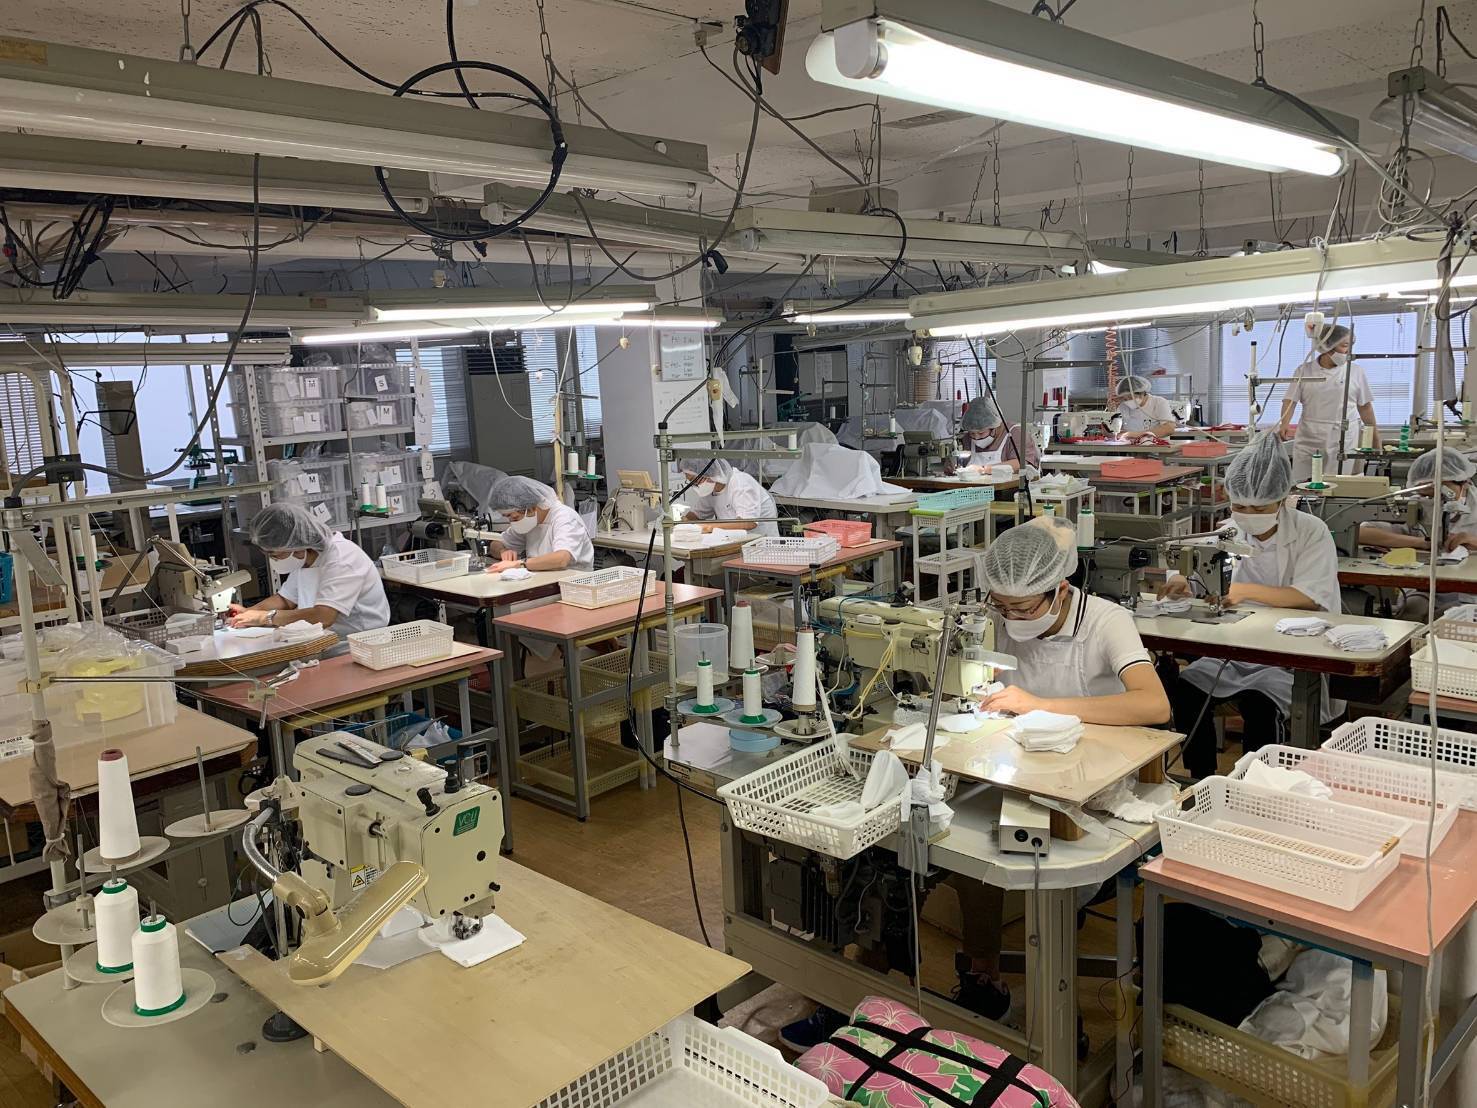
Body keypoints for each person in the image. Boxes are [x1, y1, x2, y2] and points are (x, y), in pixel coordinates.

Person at [1159, 430, 1342, 778]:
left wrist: (1243, 591)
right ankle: (1202, 780)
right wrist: (1183, 580)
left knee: (1260, 705)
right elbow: (1201, 570)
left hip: (1291, 658)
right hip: (1238, 651)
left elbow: (1309, 597)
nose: (1248, 515)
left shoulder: (1311, 532)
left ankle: (1255, 787)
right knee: (1186, 690)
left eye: (1259, 508)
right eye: (1240, 506)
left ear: (1282, 498)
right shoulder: (1230, 531)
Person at [230, 503, 389, 637]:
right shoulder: (304, 559)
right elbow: (285, 600)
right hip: (324, 637)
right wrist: (249, 612)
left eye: (274, 554)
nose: (273, 560)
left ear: (296, 546)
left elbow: (324, 616)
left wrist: (266, 617)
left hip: (358, 641)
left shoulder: (343, 559)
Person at [1358, 448, 1477, 619]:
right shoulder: (1414, 507)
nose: (1434, 502)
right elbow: (1362, 532)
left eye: (1443, 496)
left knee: (1452, 620)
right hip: (1424, 587)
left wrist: (1473, 540)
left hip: (1470, 592)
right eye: (1427, 496)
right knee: (1411, 614)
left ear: (1464, 483)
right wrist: (1422, 543)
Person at [1277, 321, 1382, 482]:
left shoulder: (1355, 371)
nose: (1348, 351)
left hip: (1342, 436)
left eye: (1350, 346)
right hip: (1309, 436)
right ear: (1327, 345)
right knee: (1303, 483)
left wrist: (1375, 438)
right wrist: (1284, 424)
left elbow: (1365, 407)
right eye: (1344, 346)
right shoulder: (1304, 370)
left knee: (1336, 484)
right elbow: (1290, 400)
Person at [487, 476, 594, 571]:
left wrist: (520, 564)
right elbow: (496, 544)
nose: (512, 522)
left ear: (531, 508)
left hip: (573, 581)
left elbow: (562, 559)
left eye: (515, 517)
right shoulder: (530, 522)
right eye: (508, 517)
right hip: (542, 579)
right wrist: (503, 551)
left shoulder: (565, 517)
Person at [678, 457, 778, 536]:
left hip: (760, 545)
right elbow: (697, 514)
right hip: (734, 543)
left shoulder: (740, 483)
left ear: (709, 474)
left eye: (695, 481)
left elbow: (748, 522)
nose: (695, 485)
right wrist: (682, 522)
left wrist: (709, 527)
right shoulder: (711, 489)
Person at [956, 401, 1039, 472]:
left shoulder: (1015, 434)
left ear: (995, 427)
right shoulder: (967, 438)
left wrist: (985, 469)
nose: (976, 438)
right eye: (972, 433)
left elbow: (1021, 464)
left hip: (1010, 485)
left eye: (981, 433)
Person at [1114, 375, 1178, 440]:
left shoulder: (1158, 402)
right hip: (1129, 444)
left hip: (1155, 444)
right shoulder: (1123, 407)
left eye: (1131, 397)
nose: (1128, 401)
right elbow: (1115, 430)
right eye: (1125, 399)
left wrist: (1137, 435)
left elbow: (1168, 429)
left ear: (1142, 393)